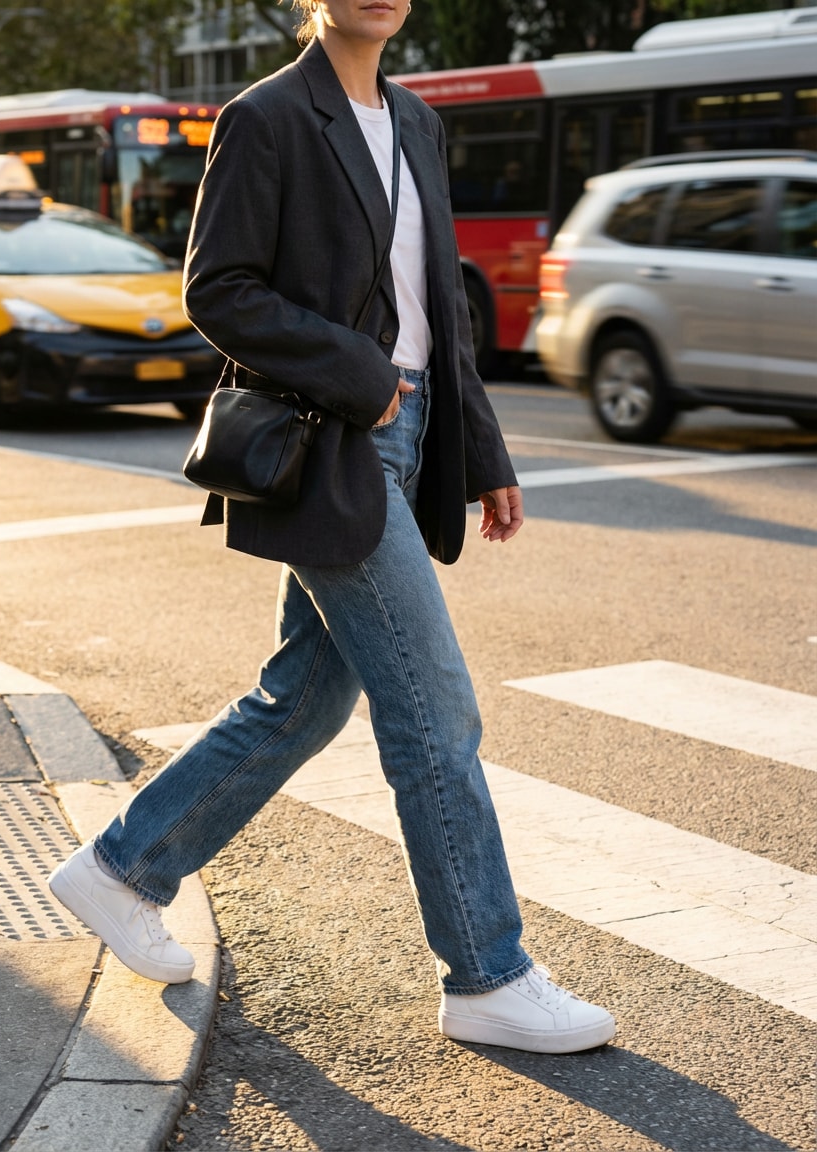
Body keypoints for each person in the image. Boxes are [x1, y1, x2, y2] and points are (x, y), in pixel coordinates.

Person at [48, 0, 616, 1055]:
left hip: (405, 438)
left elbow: (438, 309)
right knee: (433, 709)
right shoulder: (266, 117)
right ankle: (486, 972)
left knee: (301, 701)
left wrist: (483, 453)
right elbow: (215, 287)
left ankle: (122, 868)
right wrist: (365, 382)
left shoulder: (416, 121)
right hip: (329, 445)